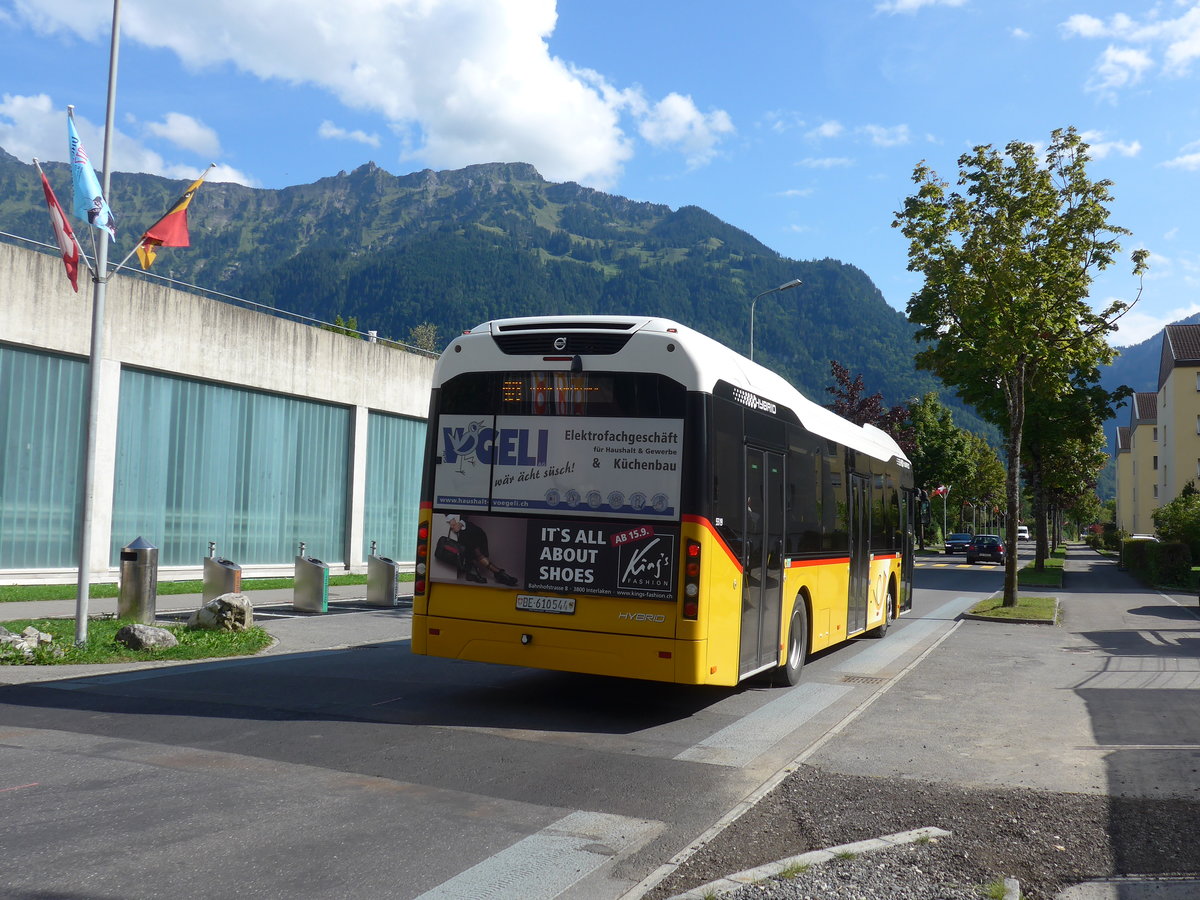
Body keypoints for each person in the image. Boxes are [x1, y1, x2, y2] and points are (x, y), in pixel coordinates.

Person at [445, 514, 518, 586]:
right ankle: (497, 572)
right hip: (454, 520)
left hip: (462, 521)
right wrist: (451, 518)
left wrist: (461, 522)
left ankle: (474, 571)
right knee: (472, 544)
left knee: (479, 533)